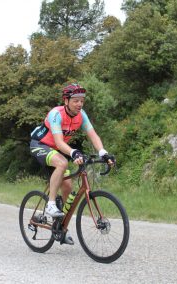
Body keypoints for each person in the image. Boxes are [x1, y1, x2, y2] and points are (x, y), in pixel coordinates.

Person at [29, 83, 114, 245]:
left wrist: (103, 152)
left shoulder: (82, 115)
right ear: (66, 100)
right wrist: (73, 152)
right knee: (61, 164)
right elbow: (59, 143)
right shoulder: (56, 114)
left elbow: (93, 134)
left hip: (57, 149)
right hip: (40, 145)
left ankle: (60, 228)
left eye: (82, 100)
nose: (80, 104)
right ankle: (51, 204)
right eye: (75, 100)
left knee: (68, 186)